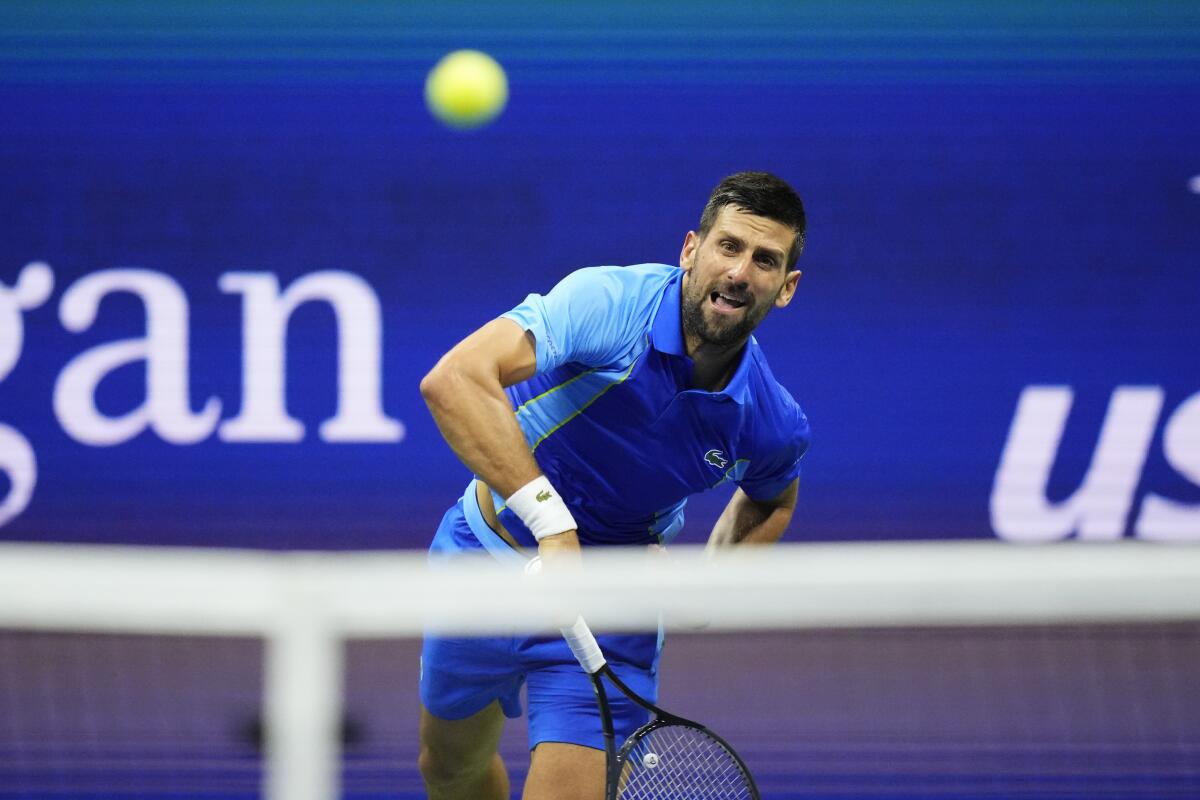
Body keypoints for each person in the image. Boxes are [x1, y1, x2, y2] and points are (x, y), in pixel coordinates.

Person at [417, 171, 811, 800]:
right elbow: (455, 380)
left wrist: (710, 587)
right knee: (448, 768)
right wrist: (554, 527)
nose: (740, 273)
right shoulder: (610, 305)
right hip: (481, 562)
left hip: (608, 610)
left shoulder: (768, 419)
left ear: (786, 288)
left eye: (765, 261)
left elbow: (774, 496)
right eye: (729, 247)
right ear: (692, 249)